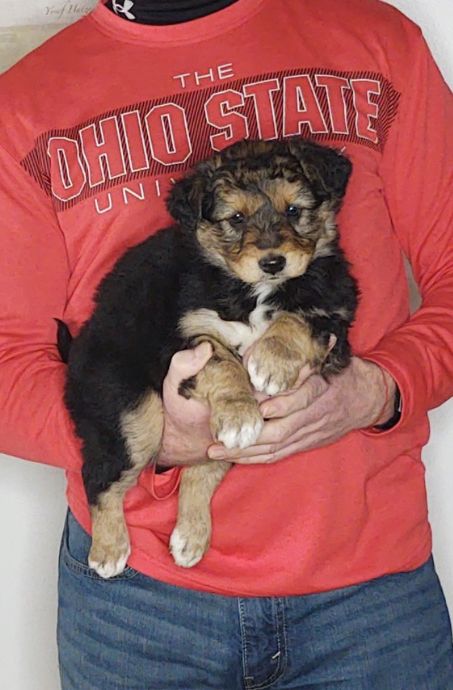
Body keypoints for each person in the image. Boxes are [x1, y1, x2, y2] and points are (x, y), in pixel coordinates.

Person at [0, 0, 452, 687]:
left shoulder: (376, 43)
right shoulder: (22, 106)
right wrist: (148, 436)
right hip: (139, 611)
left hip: (370, 598)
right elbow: (6, 361)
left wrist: (379, 389)